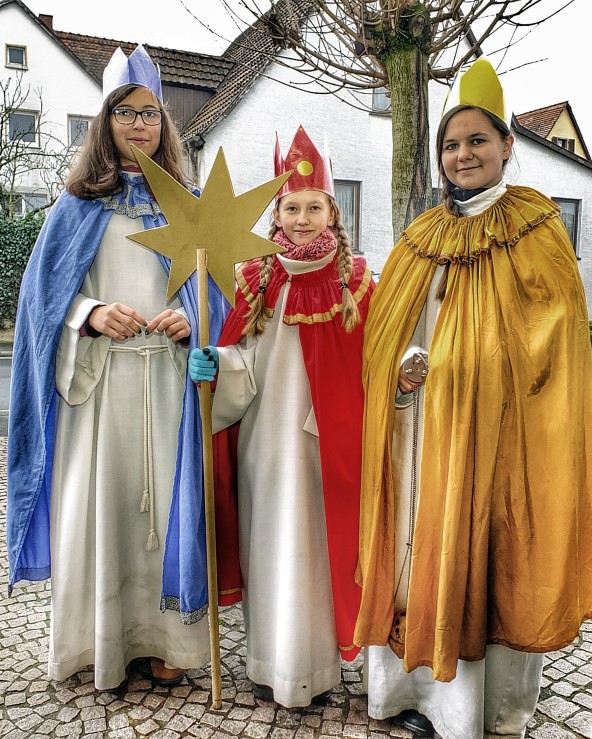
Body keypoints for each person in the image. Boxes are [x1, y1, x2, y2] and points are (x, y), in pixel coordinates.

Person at [354, 58, 592, 739]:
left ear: (506, 147)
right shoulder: (418, 236)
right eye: (450, 144)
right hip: (418, 439)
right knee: (414, 555)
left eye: (475, 140)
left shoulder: (536, 228)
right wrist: (398, 370)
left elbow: (549, 348)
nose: (462, 154)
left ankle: (482, 711)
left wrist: (469, 373)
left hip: (496, 439)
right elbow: (384, 335)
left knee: (488, 561)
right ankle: (408, 692)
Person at [6, 45, 228, 691]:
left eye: (150, 114)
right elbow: (41, 301)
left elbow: (217, 293)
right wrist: (91, 312)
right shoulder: (75, 206)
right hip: (97, 388)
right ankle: (96, 644)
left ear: (164, 126)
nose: (138, 125)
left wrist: (197, 319)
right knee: (97, 511)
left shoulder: (187, 205)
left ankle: (169, 645)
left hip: (167, 383)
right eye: (124, 113)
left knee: (167, 512)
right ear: (103, 123)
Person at [188, 126, 373, 708]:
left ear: (331, 210)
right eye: (290, 207)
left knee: (319, 549)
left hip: (327, 444)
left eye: (313, 206)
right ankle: (268, 663)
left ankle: (315, 669)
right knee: (268, 543)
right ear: (277, 210)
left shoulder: (358, 279)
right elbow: (240, 357)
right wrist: (211, 361)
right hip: (264, 443)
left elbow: (371, 360)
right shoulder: (253, 277)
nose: (301, 218)